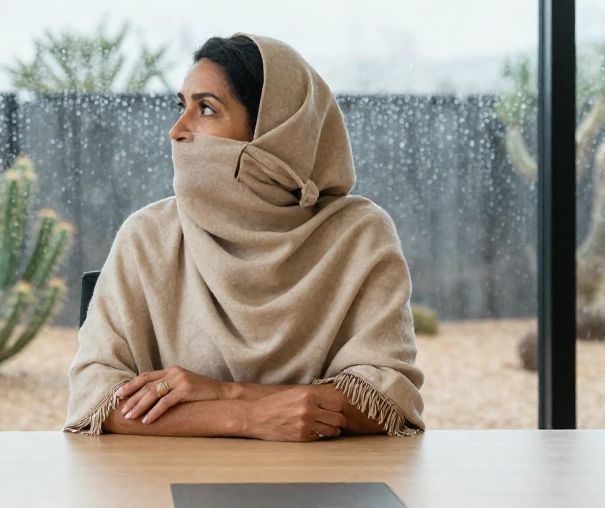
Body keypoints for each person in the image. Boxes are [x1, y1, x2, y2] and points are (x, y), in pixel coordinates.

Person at [64, 34, 424, 441]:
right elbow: (96, 399)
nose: (177, 131)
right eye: (182, 107)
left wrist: (225, 392)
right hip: (169, 483)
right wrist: (246, 418)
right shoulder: (149, 236)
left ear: (275, 130)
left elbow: (391, 400)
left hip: (321, 487)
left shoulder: (359, 235)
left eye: (206, 109)